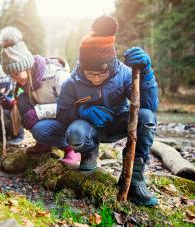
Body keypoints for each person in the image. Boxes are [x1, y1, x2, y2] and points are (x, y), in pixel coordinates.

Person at [57, 15, 159, 206]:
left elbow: (149, 108)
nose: (96, 79)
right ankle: (89, 154)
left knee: (146, 118)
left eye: (101, 73)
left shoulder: (124, 74)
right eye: (90, 73)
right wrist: (81, 112)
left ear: (111, 66)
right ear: (82, 67)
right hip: (89, 129)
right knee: (75, 132)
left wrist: (146, 74)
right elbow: (62, 115)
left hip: (119, 123)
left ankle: (135, 178)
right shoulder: (71, 82)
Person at [0, 26, 80, 168]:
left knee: (40, 130)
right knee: (22, 101)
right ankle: (44, 144)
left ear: (27, 66)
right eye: (12, 76)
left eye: (16, 74)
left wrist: (38, 112)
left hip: (71, 122)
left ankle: (72, 149)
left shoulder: (57, 75)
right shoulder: (26, 81)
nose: (15, 79)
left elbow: (73, 106)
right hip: (54, 119)